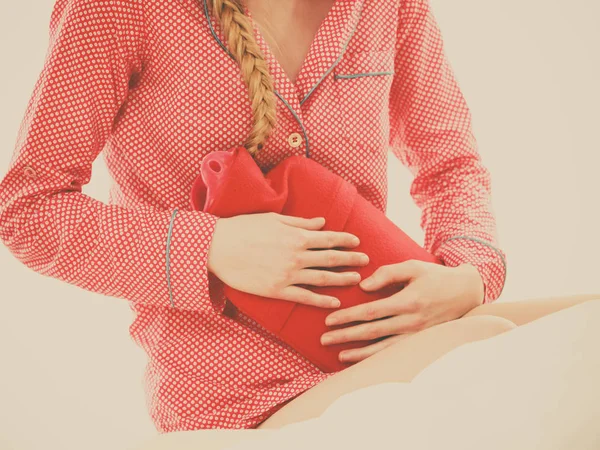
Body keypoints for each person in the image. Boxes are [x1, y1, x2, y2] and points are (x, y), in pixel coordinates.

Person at [0, 0, 596, 433]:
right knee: (486, 340)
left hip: (382, 335)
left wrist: (468, 275)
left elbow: (452, 163)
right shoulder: (118, 8)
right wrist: (208, 247)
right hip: (240, 399)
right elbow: (26, 208)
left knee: (585, 325)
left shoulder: (392, 7)